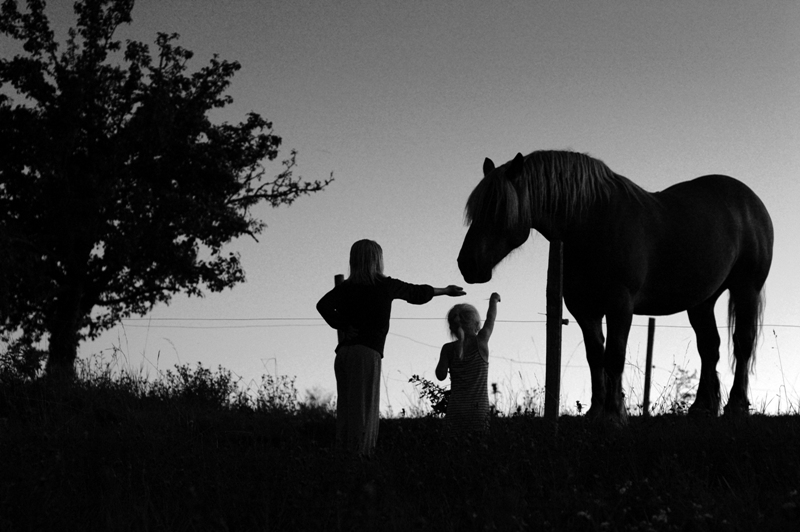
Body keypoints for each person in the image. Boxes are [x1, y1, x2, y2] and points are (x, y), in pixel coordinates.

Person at [316, 239, 465, 456]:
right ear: (377, 260)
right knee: (364, 413)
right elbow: (416, 293)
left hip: (344, 355)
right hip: (366, 354)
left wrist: (343, 326)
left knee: (347, 413)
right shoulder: (384, 285)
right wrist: (445, 290)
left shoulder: (347, 287)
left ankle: (344, 460)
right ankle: (360, 462)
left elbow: (323, 306)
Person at [436, 293, 500, 434]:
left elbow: (440, 375)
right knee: (478, 450)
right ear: (476, 324)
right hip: (478, 410)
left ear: (452, 328)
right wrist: (493, 300)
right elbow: (491, 318)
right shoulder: (481, 341)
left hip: (456, 410)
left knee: (455, 450)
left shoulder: (448, 349)